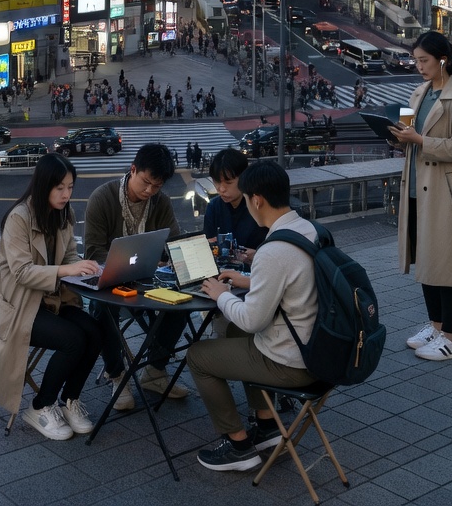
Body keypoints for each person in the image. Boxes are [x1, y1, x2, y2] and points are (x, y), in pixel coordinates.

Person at [188, 160, 319, 473]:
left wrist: (222, 295)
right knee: (236, 336)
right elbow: (288, 283)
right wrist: (246, 280)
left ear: (256, 200)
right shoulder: (305, 229)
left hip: (291, 362)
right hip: (315, 350)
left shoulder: (273, 251)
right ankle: (268, 426)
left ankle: (238, 446)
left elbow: (252, 320)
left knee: (198, 356)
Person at [0, 154, 103, 441]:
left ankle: (69, 400)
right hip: (16, 308)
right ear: (44, 184)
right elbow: (22, 272)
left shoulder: (65, 214)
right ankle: (40, 406)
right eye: (59, 187)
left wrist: (88, 270)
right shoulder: (19, 218)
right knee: (72, 339)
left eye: (70, 187)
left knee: (96, 333)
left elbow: (70, 255)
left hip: (52, 300)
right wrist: (67, 269)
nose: (66, 194)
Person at [392, 30, 452, 362]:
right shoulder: (418, 93)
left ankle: (451, 339)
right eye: (416, 60)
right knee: (426, 259)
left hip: (446, 192)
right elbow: (406, 133)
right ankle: (436, 326)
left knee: (448, 264)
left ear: (443, 60)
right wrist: (397, 137)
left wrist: (419, 140)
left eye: (424, 60)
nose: (418, 67)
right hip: (417, 188)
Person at [84, 143, 188, 409]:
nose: (149, 191)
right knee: (101, 306)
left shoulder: (160, 202)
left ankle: (154, 371)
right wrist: (121, 265)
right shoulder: (102, 197)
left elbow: (173, 241)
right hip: (111, 280)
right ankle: (117, 375)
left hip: (148, 277)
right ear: (133, 170)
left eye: (157, 186)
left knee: (184, 301)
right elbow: (94, 251)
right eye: (146, 182)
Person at [202, 149, 269, 274]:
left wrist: (258, 255)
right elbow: (208, 245)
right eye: (216, 182)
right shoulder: (214, 206)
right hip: (223, 275)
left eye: (228, 182)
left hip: (257, 275)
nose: (221, 189)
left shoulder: (259, 205)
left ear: (244, 177)